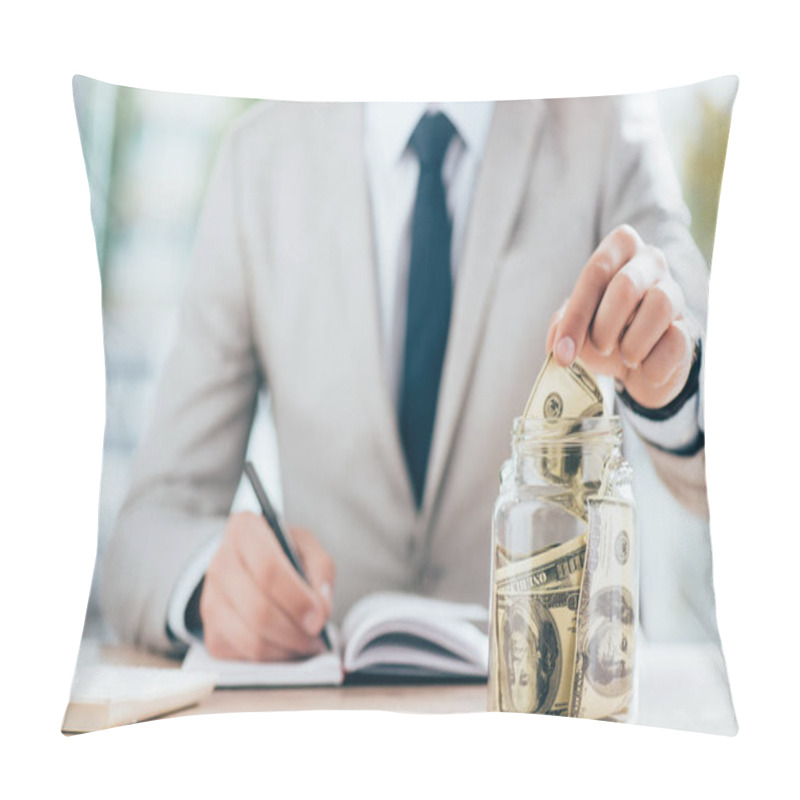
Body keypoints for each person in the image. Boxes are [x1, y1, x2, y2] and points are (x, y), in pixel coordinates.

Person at [100, 98, 710, 662]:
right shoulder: (258, 159)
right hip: (330, 725)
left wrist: (671, 385)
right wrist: (213, 584)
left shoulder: (607, 128)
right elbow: (144, 535)